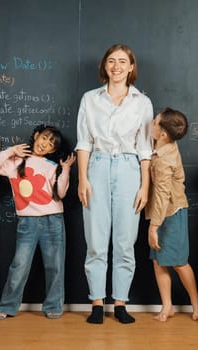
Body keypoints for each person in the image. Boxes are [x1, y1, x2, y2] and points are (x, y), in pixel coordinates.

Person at [75, 43, 154, 324]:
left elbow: (145, 148)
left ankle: (120, 302)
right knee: (95, 240)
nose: (116, 66)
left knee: (125, 240)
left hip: (129, 168)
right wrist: (82, 178)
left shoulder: (142, 102)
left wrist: (145, 186)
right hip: (96, 165)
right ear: (104, 66)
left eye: (122, 61)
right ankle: (97, 302)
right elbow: (84, 141)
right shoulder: (90, 99)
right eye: (111, 61)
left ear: (131, 67)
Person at [0, 125, 76, 320]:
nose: (46, 144)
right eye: (44, 138)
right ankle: (7, 306)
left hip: (53, 220)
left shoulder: (51, 166)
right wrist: (11, 151)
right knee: (19, 265)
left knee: (55, 265)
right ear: (36, 136)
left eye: (51, 144)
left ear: (53, 150)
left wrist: (66, 170)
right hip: (27, 221)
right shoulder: (15, 161)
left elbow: (60, 194)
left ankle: (53, 305)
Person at [145, 107, 198, 322]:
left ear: (163, 134)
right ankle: (167, 306)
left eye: (154, 121)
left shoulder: (164, 160)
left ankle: (196, 301)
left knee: (179, 262)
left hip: (170, 213)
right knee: (158, 261)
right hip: (159, 212)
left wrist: (153, 227)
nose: (150, 123)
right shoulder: (160, 145)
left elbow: (162, 195)